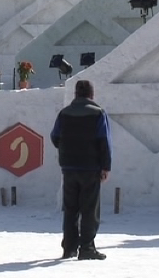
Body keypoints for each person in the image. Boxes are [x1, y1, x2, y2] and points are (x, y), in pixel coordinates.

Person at [50, 79, 112, 261]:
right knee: (89, 209)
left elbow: (55, 137)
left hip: (68, 167)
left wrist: (67, 150)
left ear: (75, 94)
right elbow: (104, 142)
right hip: (90, 168)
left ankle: (69, 248)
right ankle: (87, 248)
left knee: (70, 209)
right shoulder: (98, 113)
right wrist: (106, 166)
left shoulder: (64, 113)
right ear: (92, 94)